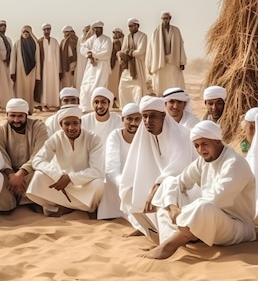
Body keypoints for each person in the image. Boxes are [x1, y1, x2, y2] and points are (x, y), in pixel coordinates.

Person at [143, 121, 256, 259]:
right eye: (196, 146)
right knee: (167, 182)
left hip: (237, 227)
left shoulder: (234, 163)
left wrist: (182, 213)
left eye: (204, 144)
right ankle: (169, 239)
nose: (200, 150)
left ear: (217, 141)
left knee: (204, 207)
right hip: (208, 220)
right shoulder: (203, 161)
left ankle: (170, 246)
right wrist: (173, 208)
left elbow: (216, 200)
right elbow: (179, 182)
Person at [119, 96, 196, 235]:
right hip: (160, 183)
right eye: (145, 117)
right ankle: (147, 228)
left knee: (163, 193)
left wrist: (158, 185)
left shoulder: (181, 135)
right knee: (128, 192)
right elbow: (134, 166)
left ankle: (170, 238)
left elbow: (180, 166)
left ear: (163, 116)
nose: (148, 121)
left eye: (153, 117)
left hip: (186, 186)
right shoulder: (145, 134)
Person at [26, 105, 105, 217]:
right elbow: (38, 160)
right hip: (61, 185)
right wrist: (57, 175)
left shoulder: (94, 139)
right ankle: (79, 207)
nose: (71, 128)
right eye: (67, 124)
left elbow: (97, 171)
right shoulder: (56, 138)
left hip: (84, 185)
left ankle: (68, 207)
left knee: (99, 185)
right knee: (38, 177)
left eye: (75, 123)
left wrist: (71, 178)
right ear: (60, 125)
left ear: (80, 123)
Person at [0, 98, 49, 213]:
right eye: (12, 116)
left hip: (30, 172)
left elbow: (40, 153)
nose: (16, 120)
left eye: (20, 116)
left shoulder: (38, 127)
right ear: (7, 115)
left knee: (42, 174)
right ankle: (9, 204)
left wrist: (21, 173)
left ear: (26, 115)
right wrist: (11, 174)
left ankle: (31, 201)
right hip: (8, 174)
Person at [98, 103, 141, 219]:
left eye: (137, 119)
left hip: (139, 179)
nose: (133, 123)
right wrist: (124, 184)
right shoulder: (115, 136)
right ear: (123, 119)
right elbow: (111, 168)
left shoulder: (145, 136)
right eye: (129, 119)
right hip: (117, 181)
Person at [147, 11, 187, 95]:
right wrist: (149, 65)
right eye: (164, 19)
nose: (165, 20)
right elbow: (151, 48)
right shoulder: (156, 31)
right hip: (160, 62)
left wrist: (182, 61)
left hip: (173, 61)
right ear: (161, 19)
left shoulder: (176, 30)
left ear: (170, 19)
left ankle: (174, 96)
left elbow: (181, 46)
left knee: (174, 81)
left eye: (167, 18)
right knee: (161, 82)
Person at [79, 21, 112, 112]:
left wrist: (93, 54)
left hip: (102, 66)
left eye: (99, 29)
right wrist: (87, 53)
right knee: (86, 85)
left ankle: (100, 107)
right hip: (91, 66)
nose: (97, 30)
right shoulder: (92, 39)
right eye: (96, 29)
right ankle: (86, 106)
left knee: (99, 86)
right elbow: (83, 47)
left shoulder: (107, 39)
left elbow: (106, 53)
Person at [10, 25, 41, 114]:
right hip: (19, 72)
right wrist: (12, 72)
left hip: (31, 72)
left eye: (27, 32)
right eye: (24, 32)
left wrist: (37, 76)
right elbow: (13, 58)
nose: (25, 34)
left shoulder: (35, 44)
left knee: (29, 91)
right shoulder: (17, 43)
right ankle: (19, 109)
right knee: (19, 91)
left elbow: (37, 60)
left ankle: (28, 109)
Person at [118, 18, 147, 107]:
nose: (130, 28)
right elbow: (123, 49)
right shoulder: (127, 36)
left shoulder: (143, 36)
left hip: (137, 66)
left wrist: (129, 52)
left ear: (137, 26)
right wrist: (123, 54)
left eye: (132, 26)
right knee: (122, 87)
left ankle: (137, 107)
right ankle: (125, 107)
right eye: (129, 26)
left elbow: (141, 51)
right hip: (127, 67)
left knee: (138, 88)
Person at [38, 23, 61, 111]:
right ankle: (45, 104)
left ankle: (55, 103)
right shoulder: (40, 42)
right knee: (45, 85)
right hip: (44, 68)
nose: (47, 31)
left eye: (48, 29)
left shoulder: (55, 41)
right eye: (45, 30)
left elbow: (58, 56)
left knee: (54, 84)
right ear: (43, 31)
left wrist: (59, 69)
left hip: (54, 67)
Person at [0, 20, 14, 111]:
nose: (3, 27)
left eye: (4, 26)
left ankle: (6, 103)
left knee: (7, 83)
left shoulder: (8, 39)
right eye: (1, 26)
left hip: (7, 64)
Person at [107, 27, 123, 105]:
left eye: (116, 33)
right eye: (114, 33)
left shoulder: (118, 42)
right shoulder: (115, 42)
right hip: (113, 65)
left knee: (115, 84)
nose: (115, 34)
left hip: (116, 65)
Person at [75, 24, 93, 89]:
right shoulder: (81, 38)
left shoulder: (93, 39)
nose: (87, 33)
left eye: (88, 31)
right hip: (81, 62)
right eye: (86, 31)